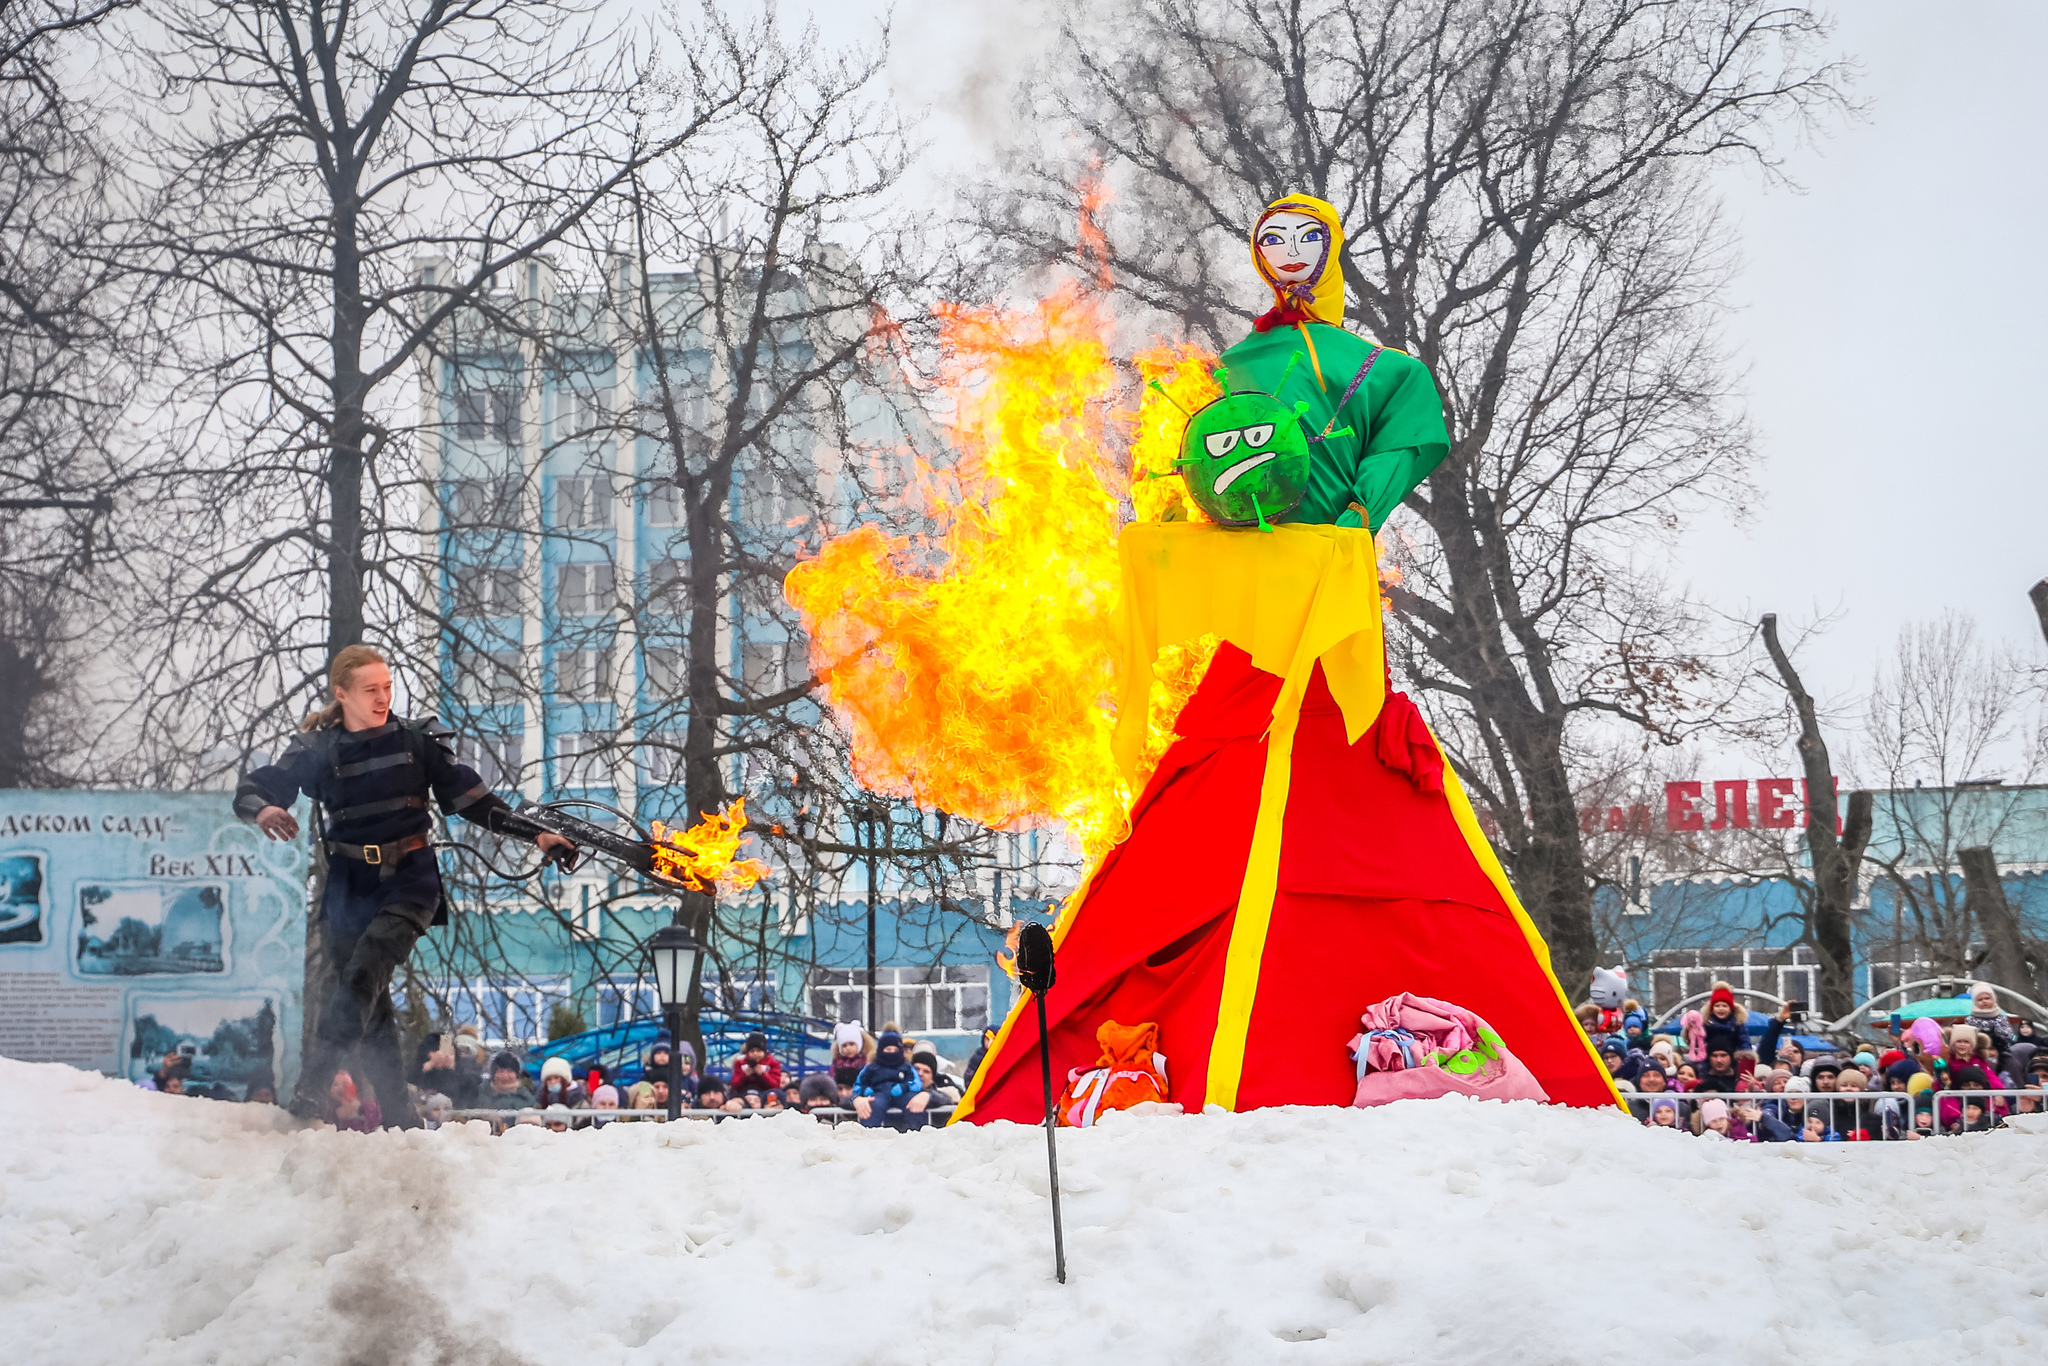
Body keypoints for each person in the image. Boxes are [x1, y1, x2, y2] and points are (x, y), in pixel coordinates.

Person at [234, 645, 576, 1126]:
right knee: (369, 1008)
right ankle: (400, 1118)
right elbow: (260, 787)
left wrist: (536, 833)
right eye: (370, 689)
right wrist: (265, 809)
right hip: (348, 886)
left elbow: (477, 801)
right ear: (342, 694)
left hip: (410, 879)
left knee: (363, 971)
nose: (382, 697)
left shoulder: (418, 740)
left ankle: (313, 1084)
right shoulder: (319, 749)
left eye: (387, 687)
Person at [854, 1030, 930, 1130]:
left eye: (895, 1050)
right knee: (872, 1107)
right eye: (888, 1049)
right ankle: (869, 1136)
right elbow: (858, 1085)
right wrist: (865, 1091)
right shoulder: (871, 1068)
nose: (892, 1053)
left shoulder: (906, 1067)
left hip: (902, 1094)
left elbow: (916, 1083)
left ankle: (917, 1133)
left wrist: (904, 1087)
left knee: (914, 1105)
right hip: (878, 1094)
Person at [730, 1032, 783, 1098]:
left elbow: (776, 1085)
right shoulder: (740, 1063)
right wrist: (745, 1075)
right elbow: (734, 1084)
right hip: (743, 1095)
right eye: (752, 1051)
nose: (755, 1054)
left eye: (758, 1051)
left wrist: (763, 1075)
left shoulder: (773, 1063)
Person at [1701, 985, 1748, 1058]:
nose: (1721, 1009)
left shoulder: (1737, 1024)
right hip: (1709, 1058)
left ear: (1730, 1009)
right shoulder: (1706, 1024)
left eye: (1724, 1006)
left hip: (1732, 1058)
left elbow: (1744, 1041)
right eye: (1717, 1006)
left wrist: (1746, 1056)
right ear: (1712, 1009)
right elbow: (1699, 1041)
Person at [831, 1022, 871, 1090]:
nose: (848, 1048)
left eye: (851, 1044)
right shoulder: (837, 1064)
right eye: (844, 1046)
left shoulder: (866, 1062)